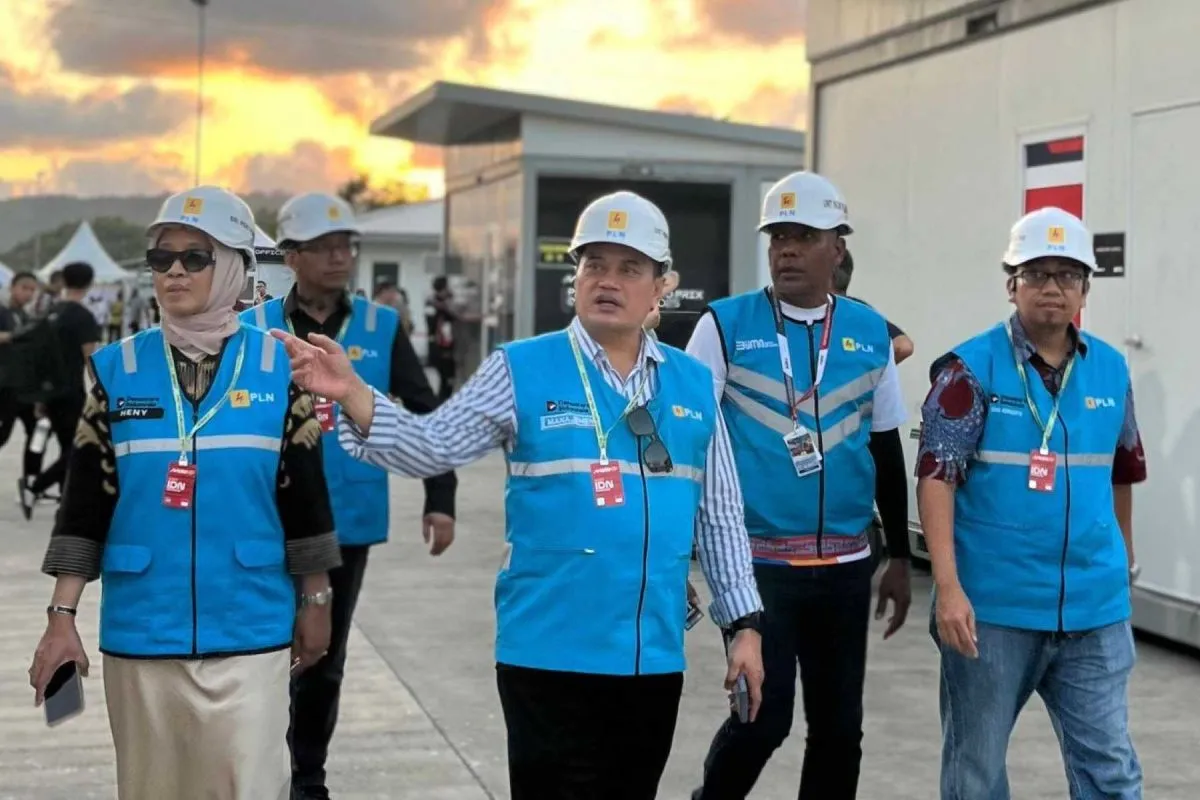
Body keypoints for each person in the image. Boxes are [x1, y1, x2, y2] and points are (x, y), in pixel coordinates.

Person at [274, 190, 766, 800]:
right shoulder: (521, 368)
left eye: (629, 268)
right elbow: (431, 445)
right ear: (575, 277)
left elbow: (719, 518)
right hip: (546, 655)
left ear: (662, 286)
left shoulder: (693, 383)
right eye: (594, 264)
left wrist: (744, 625)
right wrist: (353, 393)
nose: (607, 280)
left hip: (650, 656)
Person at [28, 185, 340, 800]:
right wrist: (61, 618)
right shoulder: (116, 371)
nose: (174, 271)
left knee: (252, 785)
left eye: (195, 257)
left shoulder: (282, 367)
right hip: (142, 629)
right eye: (161, 257)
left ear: (234, 268)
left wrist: (317, 598)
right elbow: (86, 504)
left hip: (252, 624)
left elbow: (304, 497)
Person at [687, 171, 913, 800]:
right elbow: (687, 445)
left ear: (837, 247)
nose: (786, 249)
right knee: (761, 719)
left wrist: (899, 555)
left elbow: (885, 445)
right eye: (778, 236)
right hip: (757, 566)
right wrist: (680, 554)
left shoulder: (869, 331)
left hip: (846, 566)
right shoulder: (724, 326)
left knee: (840, 732)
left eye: (803, 237)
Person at [916, 206, 1145, 800]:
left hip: (1093, 612)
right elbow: (936, 478)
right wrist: (948, 588)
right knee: (976, 772)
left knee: (1112, 773)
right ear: (1011, 283)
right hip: (994, 610)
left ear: (1085, 289)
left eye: (1067, 275)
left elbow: (1122, 473)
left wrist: (1122, 563)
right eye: (1037, 273)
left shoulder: (1111, 371)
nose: (1052, 287)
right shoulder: (969, 370)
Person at [243, 191, 458, 800]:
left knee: (323, 654)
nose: (340, 257)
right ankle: (260, 766)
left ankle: (307, 776)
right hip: (264, 515)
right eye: (324, 247)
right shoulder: (255, 328)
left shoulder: (380, 326)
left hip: (347, 519)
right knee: (261, 647)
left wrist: (440, 495)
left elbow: (425, 411)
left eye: (347, 246)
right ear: (291, 256)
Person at [18, 261, 103, 517]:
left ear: (64, 281)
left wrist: (39, 397)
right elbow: (90, 359)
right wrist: (101, 391)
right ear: (89, 284)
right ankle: (36, 486)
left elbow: (39, 358)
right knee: (78, 448)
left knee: (69, 445)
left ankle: (64, 499)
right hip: (70, 392)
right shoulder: (83, 317)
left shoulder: (51, 313)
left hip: (49, 392)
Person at [832, 249, 915, 364]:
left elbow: (903, 346)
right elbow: (903, 346)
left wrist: (867, 371)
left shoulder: (856, 311)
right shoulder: (860, 310)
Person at [0, 270, 38, 453]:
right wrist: (14, 336)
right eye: (24, 288)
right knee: (4, 432)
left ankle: (31, 469)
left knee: (36, 430)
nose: (28, 294)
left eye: (32, 290)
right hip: (4, 383)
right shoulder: (2, 311)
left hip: (22, 385)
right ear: (12, 287)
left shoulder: (25, 315)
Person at [424, 275, 458, 400]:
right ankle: (441, 403)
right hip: (440, 346)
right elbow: (432, 323)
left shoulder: (442, 303)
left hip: (446, 345)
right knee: (446, 378)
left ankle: (443, 402)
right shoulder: (434, 304)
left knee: (448, 379)